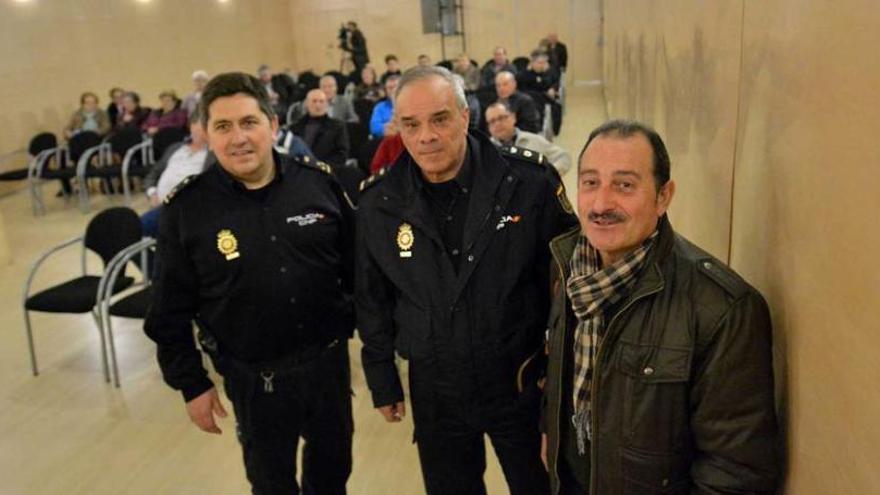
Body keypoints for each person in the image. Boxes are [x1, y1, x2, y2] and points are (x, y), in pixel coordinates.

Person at [356, 65, 578, 495]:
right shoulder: (378, 203)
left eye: (440, 119)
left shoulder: (529, 183)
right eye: (411, 124)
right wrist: (381, 375)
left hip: (520, 382)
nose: (426, 136)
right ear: (396, 128)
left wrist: (564, 376)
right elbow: (372, 298)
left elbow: (568, 285)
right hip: (436, 391)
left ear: (464, 116)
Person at [144, 72, 355, 494]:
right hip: (255, 381)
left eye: (248, 122)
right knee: (271, 483)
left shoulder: (319, 183)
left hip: (327, 367)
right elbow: (168, 311)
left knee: (332, 478)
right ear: (206, 133)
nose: (238, 137)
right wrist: (192, 383)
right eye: (223, 126)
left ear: (273, 126)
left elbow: (357, 274)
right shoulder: (188, 210)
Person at [542, 120, 779, 494]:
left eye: (624, 185)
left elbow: (734, 472)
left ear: (664, 195)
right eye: (590, 182)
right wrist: (552, 436)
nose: (601, 203)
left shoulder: (721, 309)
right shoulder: (569, 265)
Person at [141, 111, 212, 238]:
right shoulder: (175, 148)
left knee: (137, 229)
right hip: (159, 205)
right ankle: (155, 258)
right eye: (195, 124)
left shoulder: (213, 155)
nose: (198, 129)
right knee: (128, 233)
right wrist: (152, 193)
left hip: (185, 209)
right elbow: (152, 174)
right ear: (190, 126)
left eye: (203, 125)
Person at [485, 102, 571, 176]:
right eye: (492, 121)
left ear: (513, 118)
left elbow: (564, 157)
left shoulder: (534, 140)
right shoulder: (485, 150)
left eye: (501, 118)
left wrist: (547, 176)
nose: (497, 124)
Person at [291, 89, 349, 167]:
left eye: (321, 101)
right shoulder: (295, 127)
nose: (318, 105)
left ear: (327, 104)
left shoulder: (337, 127)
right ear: (307, 104)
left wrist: (321, 166)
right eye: (314, 101)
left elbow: (342, 154)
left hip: (327, 171)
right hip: (300, 170)